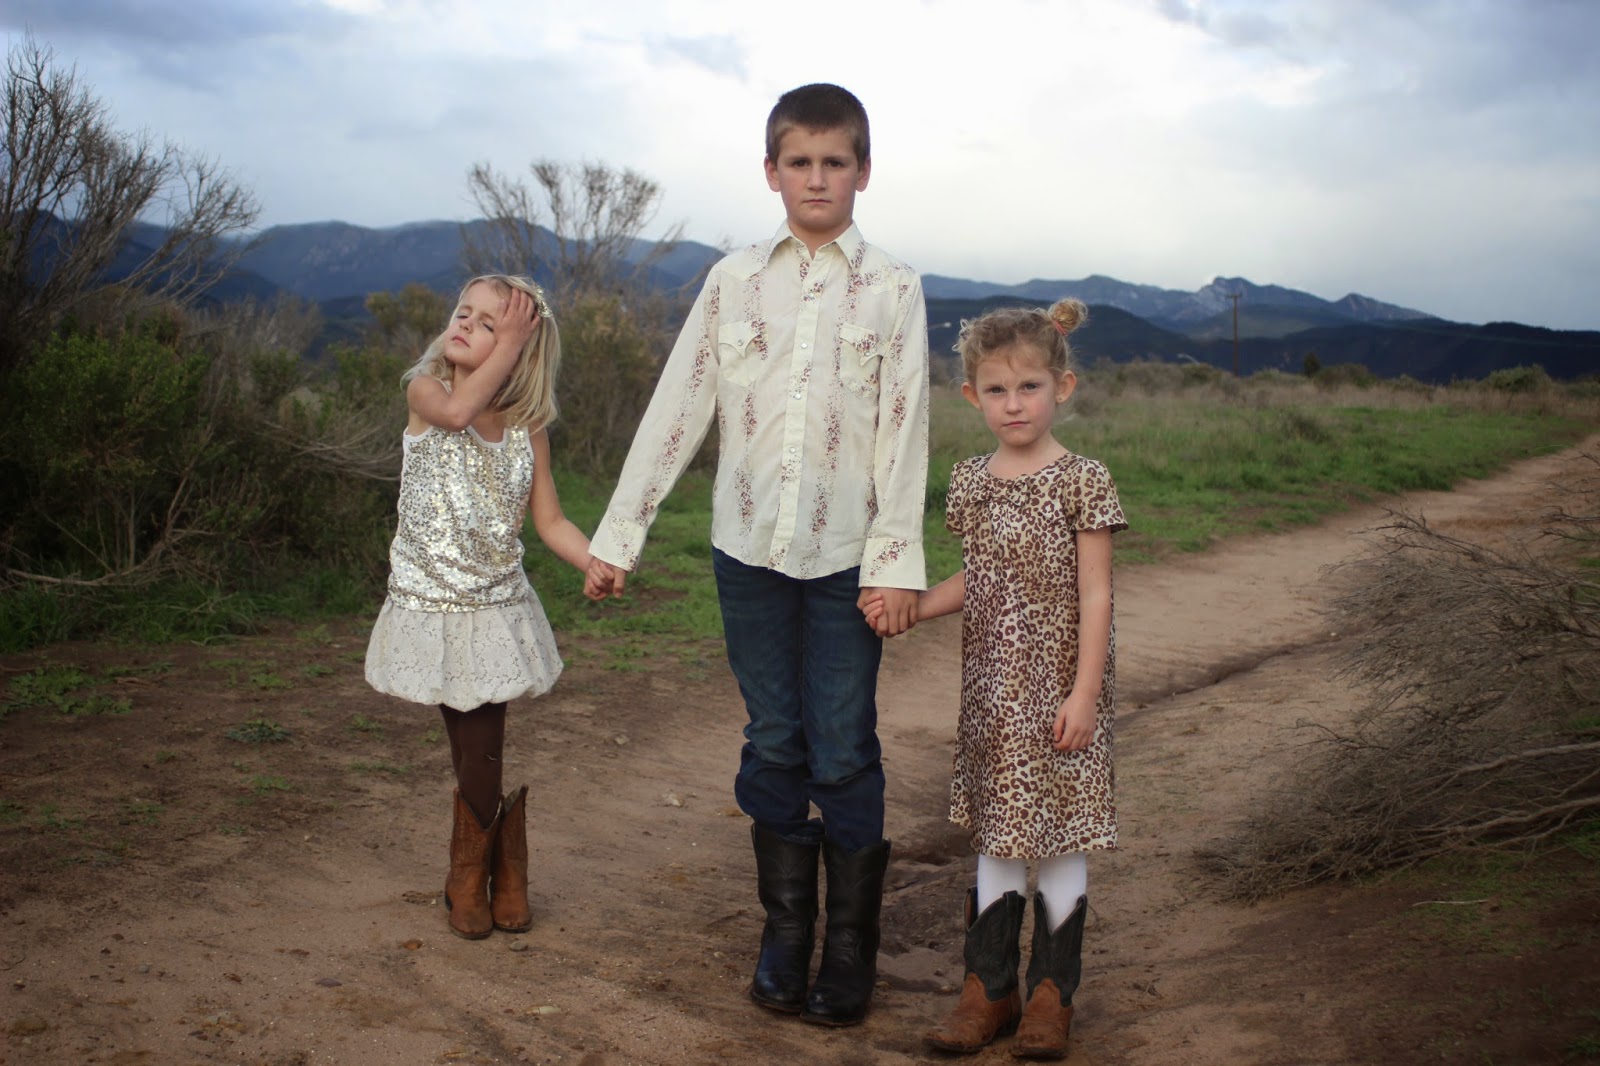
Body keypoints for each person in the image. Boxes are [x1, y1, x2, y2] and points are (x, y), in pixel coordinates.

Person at [585, 83, 929, 1027]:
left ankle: (848, 949)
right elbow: (678, 407)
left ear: (863, 171)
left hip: (847, 556)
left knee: (843, 745)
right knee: (774, 738)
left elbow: (905, 430)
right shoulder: (732, 280)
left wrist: (895, 561)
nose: (817, 178)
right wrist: (621, 534)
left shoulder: (894, 288)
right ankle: (785, 931)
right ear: (771, 171)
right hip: (748, 553)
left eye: (835, 162)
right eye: (799, 162)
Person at [868, 299, 1125, 1058]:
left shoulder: (1083, 480)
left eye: (1030, 387)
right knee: (998, 834)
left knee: (1062, 833)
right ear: (971, 396)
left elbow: (1097, 594)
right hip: (992, 693)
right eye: (997, 390)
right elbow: (979, 576)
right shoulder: (972, 482)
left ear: (1062, 388)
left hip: (1062, 690)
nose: (1015, 404)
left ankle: (1052, 998)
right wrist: (915, 605)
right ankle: (989, 991)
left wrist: (1085, 694)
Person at [365, 274, 592, 940]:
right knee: (468, 737)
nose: (465, 324)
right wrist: (507, 340)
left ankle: (480, 873)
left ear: (523, 350)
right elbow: (460, 413)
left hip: (493, 605)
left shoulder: (527, 430)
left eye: (491, 323)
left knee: (481, 735)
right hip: (429, 600)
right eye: (463, 313)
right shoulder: (426, 391)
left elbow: (551, 522)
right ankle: (493, 865)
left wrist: (596, 561)